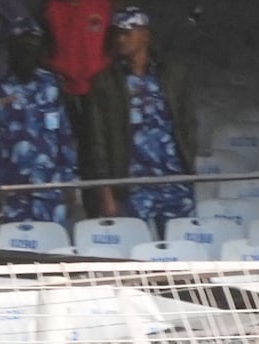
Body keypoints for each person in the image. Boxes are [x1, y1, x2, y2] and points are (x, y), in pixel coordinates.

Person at [74, 5, 190, 232]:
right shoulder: (105, 83)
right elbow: (97, 141)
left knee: (182, 244)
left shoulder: (172, 75)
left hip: (174, 179)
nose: (121, 39)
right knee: (134, 249)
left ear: (145, 35)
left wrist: (188, 165)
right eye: (117, 33)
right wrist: (105, 191)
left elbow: (187, 124)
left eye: (128, 32)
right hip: (131, 183)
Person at [0, 31, 77, 232]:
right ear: (10, 53)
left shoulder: (51, 85)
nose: (25, 56)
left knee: (52, 254)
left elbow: (64, 136)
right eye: (21, 51)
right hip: (6, 192)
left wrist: (69, 182)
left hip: (48, 190)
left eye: (31, 51)